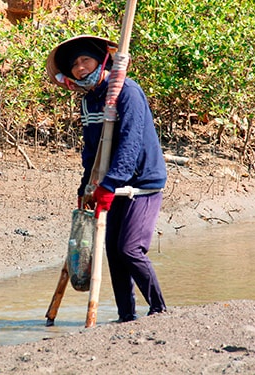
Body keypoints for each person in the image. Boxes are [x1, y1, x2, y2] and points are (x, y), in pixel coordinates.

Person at [46, 35, 168, 322]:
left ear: (101, 61)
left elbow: (131, 141)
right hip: (108, 183)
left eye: (85, 60)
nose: (80, 68)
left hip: (142, 183)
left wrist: (111, 182)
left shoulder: (127, 91)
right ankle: (127, 315)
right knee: (113, 252)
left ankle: (159, 309)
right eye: (74, 65)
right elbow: (91, 149)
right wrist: (86, 186)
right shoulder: (89, 101)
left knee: (129, 249)